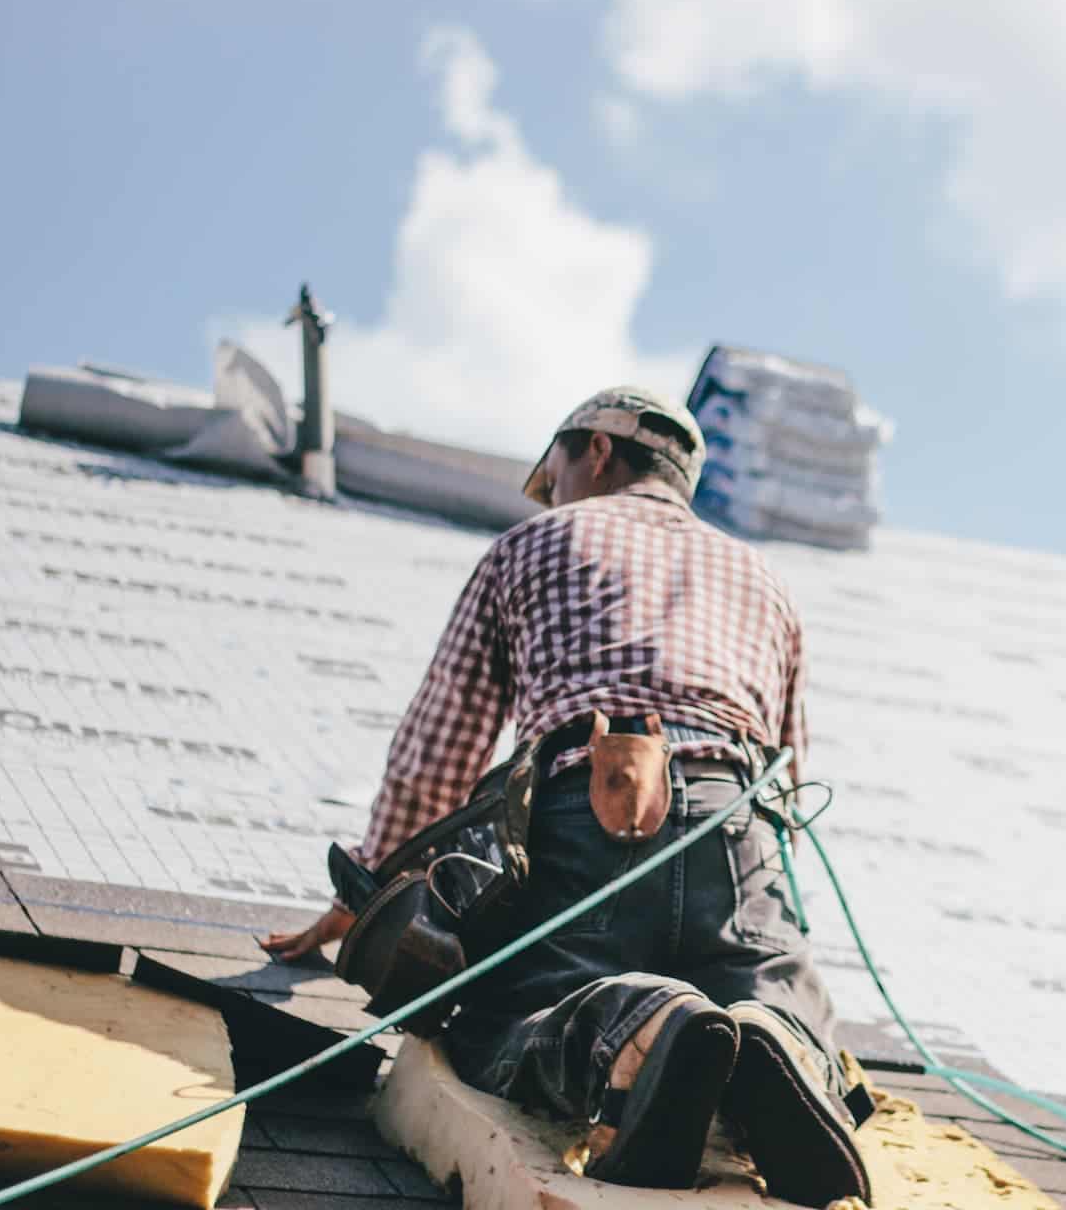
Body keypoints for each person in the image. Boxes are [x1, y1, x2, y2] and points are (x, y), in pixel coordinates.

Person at [262, 387, 869, 1207]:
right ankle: (776, 1041)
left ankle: (641, 1029)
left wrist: (369, 890)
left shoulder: (534, 543)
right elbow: (790, 773)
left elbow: (440, 747)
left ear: (596, 452)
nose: (551, 490)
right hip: (738, 823)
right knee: (763, 988)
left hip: (586, 811)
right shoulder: (764, 578)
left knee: (512, 1011)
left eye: (553, 472)